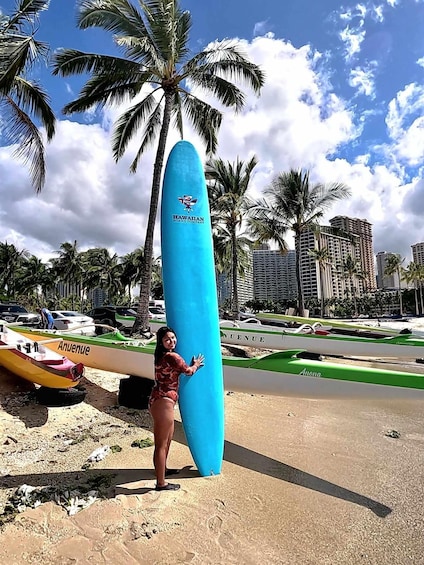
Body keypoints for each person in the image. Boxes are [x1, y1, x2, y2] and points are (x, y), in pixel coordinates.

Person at [149, 326, 204, 491]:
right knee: (161, 443)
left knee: (167, 440)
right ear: (161, 342)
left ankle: (163, 470)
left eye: (173, 338)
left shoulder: (160, 355)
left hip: (161, 400)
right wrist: (196, 364)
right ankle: (161, 483)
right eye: (167, 339)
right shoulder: (172, 356)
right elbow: (188, 371)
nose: (171, 341)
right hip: (163, 401)